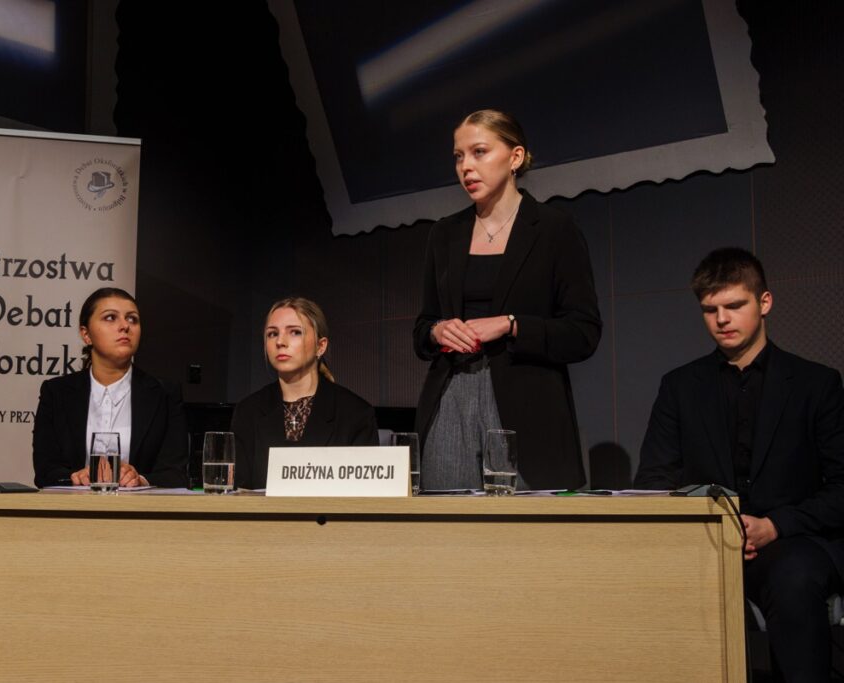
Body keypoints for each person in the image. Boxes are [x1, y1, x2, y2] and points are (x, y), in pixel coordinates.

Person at [635, 248, 844, 682]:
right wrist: (711, 528)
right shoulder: (679, 387)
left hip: (792, 541)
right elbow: (654, 481)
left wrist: (774, 525)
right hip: (705, 543)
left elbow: (841, 488)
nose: (721, 319)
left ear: (764, 302)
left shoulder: (817, 384)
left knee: (794, 580)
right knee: (643, 579)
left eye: (734, 306)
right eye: (710, 310)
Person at [413, 109, 601, 491]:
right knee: (446, 521)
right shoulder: (444, 234)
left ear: (515, 157)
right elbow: (422, 327)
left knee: (524, 524)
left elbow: (583, 332)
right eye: (459, 156)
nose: (466, 167)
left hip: (526, 405)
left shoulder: (554, 229)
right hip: (451, 397)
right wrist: (437, 331)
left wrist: (512, 325)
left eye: (479, 152)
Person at [32, 287, 188, 488]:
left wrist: (140, 480)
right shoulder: (56, 392)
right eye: (110, 318)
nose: (125, 326)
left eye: (132, 319)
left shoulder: (165, 394)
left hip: (140, 506)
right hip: (73, 505)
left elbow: (176, 474)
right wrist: (76, 477)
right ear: (86, 334)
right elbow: (45, 471)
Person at [232, 297, 379, 489]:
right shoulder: (248, 412)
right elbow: (237, 492)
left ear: (321, 346)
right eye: (272, 334)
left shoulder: (355, 414)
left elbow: (366, 494)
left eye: (295, 332)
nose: (280, 342)